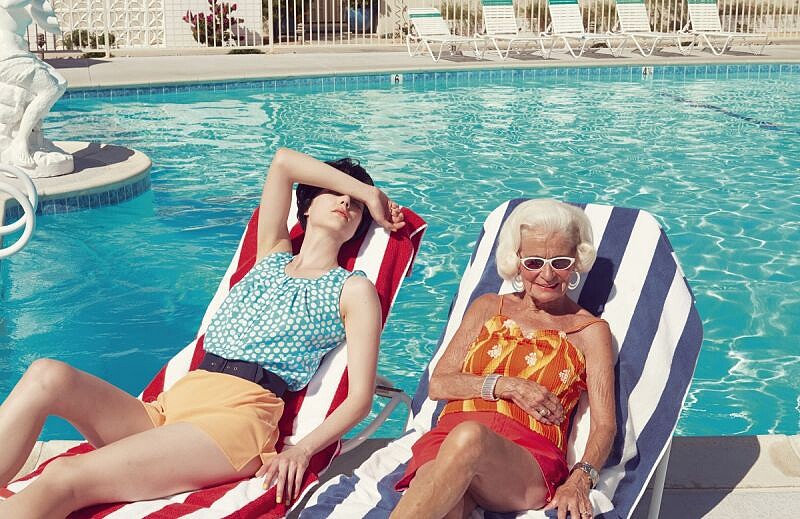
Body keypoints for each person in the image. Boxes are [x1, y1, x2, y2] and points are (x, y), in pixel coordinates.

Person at [0, 147, 405, 518]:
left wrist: (302, 450)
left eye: (356, 206)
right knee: (47, 374)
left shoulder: (353, 289)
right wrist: (367, 193)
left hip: (234, 424)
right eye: (335, 193)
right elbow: (283, 163)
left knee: (65, 476)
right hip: (169, 408)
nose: (346, 203)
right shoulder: (270, 254)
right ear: (307, 206)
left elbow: (359, 399)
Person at [390, 199, 616, 519]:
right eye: (534, 262)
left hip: (526, 460)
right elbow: (438, 384)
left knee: (471, 437)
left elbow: (605, 425)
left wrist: (580, 480)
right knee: (446, 506)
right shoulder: (487, 307)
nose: (547, 274)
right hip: (448, 438)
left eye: (560, 262)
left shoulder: (590, 331)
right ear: (516, 261)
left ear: (576, 261)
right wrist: (507, 386)